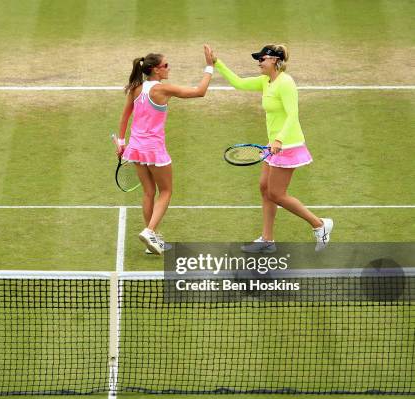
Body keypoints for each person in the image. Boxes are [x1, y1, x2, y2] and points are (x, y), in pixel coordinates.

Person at [211, 44, 333, 252]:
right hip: (273, 144)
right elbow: (239, 83)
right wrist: (216, 63)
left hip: (288, 144)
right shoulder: (266, 81)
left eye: (262, 59)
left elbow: (293, 115)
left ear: (275, 61)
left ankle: (320, 225)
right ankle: (267, 240)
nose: (259, 62)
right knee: (265, 189)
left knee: (276, 193)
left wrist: (279, 140)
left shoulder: (286, 83)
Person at [116, 46, 215, 254]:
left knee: (148, 192)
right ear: (156, 70)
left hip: (135, 147)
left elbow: (125, 115)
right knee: (166, 191)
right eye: (165, 66)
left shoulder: (135, 88)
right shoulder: (162, 89)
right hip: (153, 149)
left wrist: (121, 142)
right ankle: (150, 231)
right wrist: (209, 67)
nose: (168, 69)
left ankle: (152, 241)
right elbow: (200, 92)